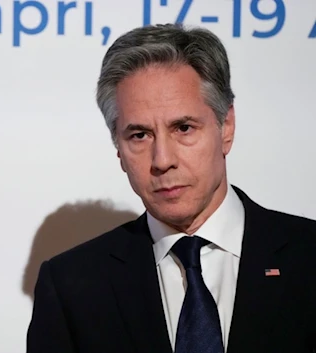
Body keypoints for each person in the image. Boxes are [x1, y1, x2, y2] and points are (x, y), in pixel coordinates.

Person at [26, 23, 316, 353]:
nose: (162, 160)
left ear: (226, 127)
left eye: (183, 127)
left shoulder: (308, 257)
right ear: (118, 148)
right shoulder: (71, 286)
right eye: (139, 135)